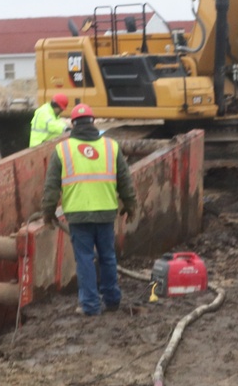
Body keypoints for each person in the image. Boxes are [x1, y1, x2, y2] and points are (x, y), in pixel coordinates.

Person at [41, 104, 137, 316]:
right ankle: (112, 300)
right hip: (105, 212)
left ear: (73, 124)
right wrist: (131, 206)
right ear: (93, 122)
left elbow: (51, 187)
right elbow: (125, 181)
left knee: (84, 258)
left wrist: (47, 213)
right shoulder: (111, 147)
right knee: (107, 256)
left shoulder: (62, 150)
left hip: (78, 214)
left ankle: (90, 305)